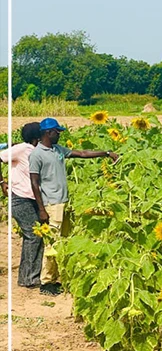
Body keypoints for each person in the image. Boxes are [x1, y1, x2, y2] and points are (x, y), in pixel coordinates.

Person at [28, 118, 119, 294]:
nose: (60, 135)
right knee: (52, 243)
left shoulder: (57, 150)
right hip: (51, 204)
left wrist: (106, 153)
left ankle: (56, 279)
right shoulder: (36, 154)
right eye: (57, 132)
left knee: (63, 241)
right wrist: (41, 209)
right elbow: (34, 182)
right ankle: (46, 282)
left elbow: (82, 154)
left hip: (63, 202)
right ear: (48, 132)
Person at [1, 123, 47, 291]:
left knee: (35, 235)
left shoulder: (38, 151)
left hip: (33, 199)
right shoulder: (22, 149)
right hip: (19, 199)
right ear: (37, 136)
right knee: (33, 235)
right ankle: (28, 278)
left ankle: (30, 276)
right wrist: (2, 182)